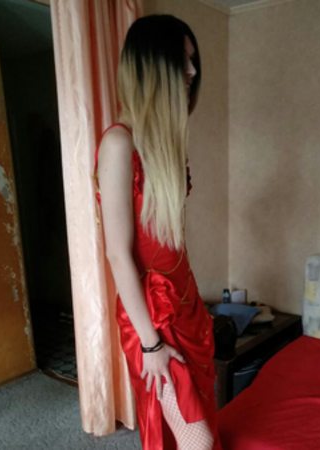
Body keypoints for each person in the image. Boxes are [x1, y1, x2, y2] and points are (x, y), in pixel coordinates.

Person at [94, 15, 222, 450]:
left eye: (192, 61)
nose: (193, 71)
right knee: (196, 440)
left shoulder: (164, 143)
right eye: (182, 61)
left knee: (198, 422)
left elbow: (170, 240)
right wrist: (150, 345)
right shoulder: (119, 144)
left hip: (185, 304)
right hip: (153, 316)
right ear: (151, 67)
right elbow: (118, 254)